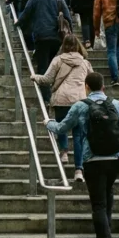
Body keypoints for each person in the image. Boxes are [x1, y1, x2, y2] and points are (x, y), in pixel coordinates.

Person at [45, 71, 119, 238]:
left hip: (93, 160)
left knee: (98, 204)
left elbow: (62, 128)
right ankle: (106, 236)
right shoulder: (116, 104)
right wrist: (115, 144)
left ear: (86, 86)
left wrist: (48, 123)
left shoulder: (81, 106)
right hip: (116, 159)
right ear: (103, 86)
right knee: (108, 194)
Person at [32, 35, 94, 180]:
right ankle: (79, 170)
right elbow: (92, 80)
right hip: (79, 101)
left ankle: (64, 151)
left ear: (63, 46)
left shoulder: (58, 60)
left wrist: (35, 77)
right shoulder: (85, 63)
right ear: (78, 46)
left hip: (61, 99)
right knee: (78, 136)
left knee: (62, 126)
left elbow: (47, 80)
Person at [15, 0, 73, 100]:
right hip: (56, 37)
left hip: (41, 37)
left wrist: (17, 23)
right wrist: (70, 35)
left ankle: (46, 98)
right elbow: (68, 18)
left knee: (43, 67)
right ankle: (55, 93)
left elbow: (25, 15)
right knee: (53, 64)